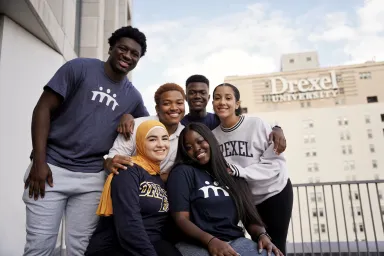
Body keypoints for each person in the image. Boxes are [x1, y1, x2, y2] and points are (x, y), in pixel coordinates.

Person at [22, 26, 149, 256]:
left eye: (135, 54)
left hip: (92, 178)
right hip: (51, 169)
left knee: (81, 250)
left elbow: (147, 130)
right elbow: (42, 109)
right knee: (39, 248)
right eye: (123, 49)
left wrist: (131, 115)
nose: (128, 56)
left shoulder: (133, 96)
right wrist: (39, 162)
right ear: (111, 48)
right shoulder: (79, 67)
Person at [167, 123, 284, 256]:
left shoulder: (231, 173)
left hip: (235, 241)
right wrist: (211, 241)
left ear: (210, 140)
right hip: (196, 243)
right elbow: (181, 219)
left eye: (200, 141)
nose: (196, 148)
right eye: (188, 147)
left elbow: (249, 218)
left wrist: (262, 235)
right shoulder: (182, 172)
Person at [211, 83, 293, 256]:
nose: (222, 102)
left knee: (276, 246)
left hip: (274, 191)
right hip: (247, 201)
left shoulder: (256, 124)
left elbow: (274, 163)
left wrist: (240, 171)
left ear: (237, 103)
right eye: (217, 98)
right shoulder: (214, 136)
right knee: (260, 247)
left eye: (228, 98)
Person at [85, 120, 182, 256]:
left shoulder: (158, 177)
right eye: (152, 139)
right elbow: (128, 224)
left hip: (151, 242)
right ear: (141, 142)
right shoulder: (128, 169)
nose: (161, 144)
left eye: (164, 138)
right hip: (117, 246)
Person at [181, 74, 286, 153]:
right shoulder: (181, 125)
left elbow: (245, 125)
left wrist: (276, 129)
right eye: (192, 92)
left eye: (202, 92)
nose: (197, 96)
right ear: (185, 97)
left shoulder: (220, 119)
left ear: (208, 98)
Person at [104, 83, 185, 179]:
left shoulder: (185, 135)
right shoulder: (136, 126)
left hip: (160, 188)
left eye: (179, 103)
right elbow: (113, 160)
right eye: (167, 103)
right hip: (128, 183)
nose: (174, 108)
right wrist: (111, 162)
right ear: (157, 108)